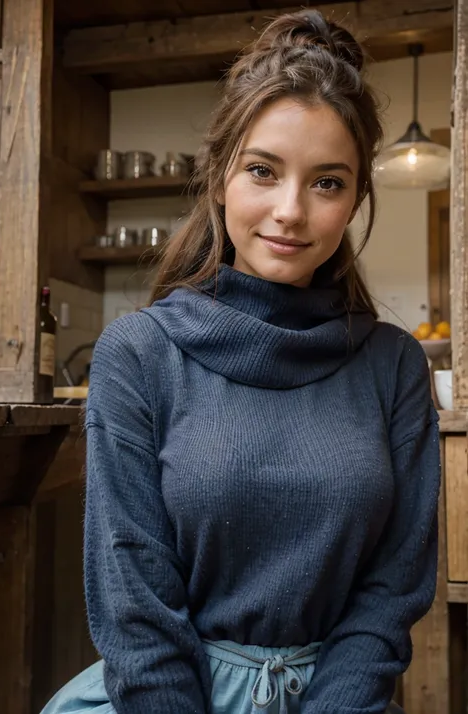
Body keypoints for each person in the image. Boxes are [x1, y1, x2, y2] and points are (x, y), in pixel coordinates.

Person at [41, 9, 440, 714]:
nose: (290, 210)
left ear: (353, 201)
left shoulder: (393, 365)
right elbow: (133, 601)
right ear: (220, 176)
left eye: (327, 182)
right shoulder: (138, 354)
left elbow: (392, 589)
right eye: (263, 171)